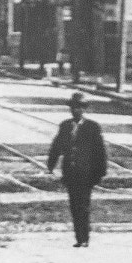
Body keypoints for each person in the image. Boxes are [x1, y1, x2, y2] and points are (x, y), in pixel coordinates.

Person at [46, 91, 107, 247]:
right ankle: (78, 238)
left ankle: (84, 238)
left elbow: (100, 152)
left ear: (84, 109)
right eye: (74, 107)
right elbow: (56, 146)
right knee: (74, 205)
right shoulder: (65, 126)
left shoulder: (92, 127)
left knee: (84, 205)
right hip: (70, 173)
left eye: (80, 108)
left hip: (86, 174)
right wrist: (51, 165)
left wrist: (99, 174)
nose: (76, 111)